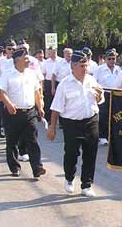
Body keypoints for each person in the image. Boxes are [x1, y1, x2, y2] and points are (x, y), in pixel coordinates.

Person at [47, 50, 104, 197]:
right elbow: (55, 109)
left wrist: (99, 97)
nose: (85, 69)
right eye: (81, 66)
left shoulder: (91, 80)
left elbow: (99, 99)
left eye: (86, 65)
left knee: (90, 153)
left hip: (91, 120)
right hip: (71, 123)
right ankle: (69, 178)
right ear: (72, 66)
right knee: (72, 153)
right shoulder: (65, 84)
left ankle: (87, 184)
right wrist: (52, 128)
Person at [0, 48, 46, 178]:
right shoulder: (7, 74)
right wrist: (8, 104)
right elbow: (1, 91)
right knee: (12, 140)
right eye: (25, 58)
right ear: (18, 60)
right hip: (12, 113)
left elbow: (37, 92)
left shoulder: (31, 73)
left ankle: (37, 167)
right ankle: (14, 167)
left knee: (33, 140)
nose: (28, 60)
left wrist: (40, 107)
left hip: (30, 112)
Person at [94, 48, 121, 146]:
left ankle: (112, 136)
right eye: (109, 59)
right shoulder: (99, 69)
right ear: (105, 59)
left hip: (116, 94)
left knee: (115, 115)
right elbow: (94, 82)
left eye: (113, 58)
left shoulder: (118, 69)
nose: (112, 61)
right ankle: (102, 136)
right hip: (104, 93)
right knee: (103, 115)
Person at [0, 40, 18, 139]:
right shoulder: (0, 61)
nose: (11, 51)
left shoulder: (18, 60)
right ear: (5, 50)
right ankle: (2, 131)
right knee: (2, 113)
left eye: (13, 49)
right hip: (2, 90)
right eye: (9, 49)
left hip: (14, 91)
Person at [42, 47, 62, 122]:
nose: (49, 54)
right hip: (48, 82)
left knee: (59, 100)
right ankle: (48, 119)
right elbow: (44, 73)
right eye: (49, 52)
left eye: (51, 52)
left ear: (55, 52)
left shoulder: (61, 61)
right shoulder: (46, 62)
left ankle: (60, 120)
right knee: (48, 101)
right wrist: (43, 85)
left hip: (57, 82)